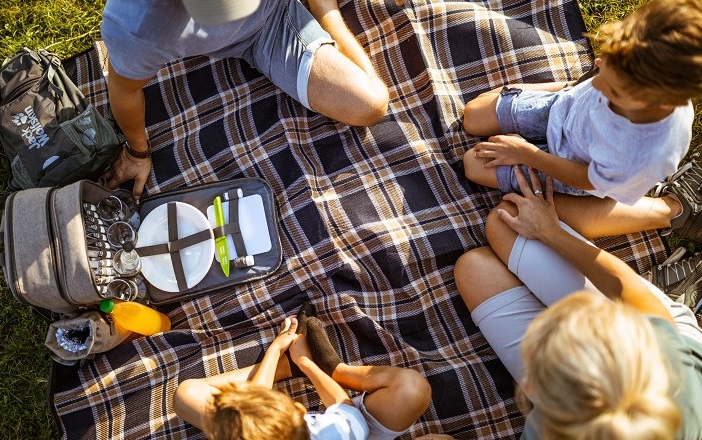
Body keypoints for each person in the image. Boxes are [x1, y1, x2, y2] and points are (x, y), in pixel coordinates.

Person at [453, 168, 702, 439]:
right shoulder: (660, 360)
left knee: (474, 270)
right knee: (510, 217)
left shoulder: (547, 429)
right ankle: (676, 211)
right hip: (662, 334)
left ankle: (664, 288)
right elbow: (622, 287)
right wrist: (550, 232)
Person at [100, 0, 392, 200]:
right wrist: (137, 152)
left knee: (371, 102)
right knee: (371, 103)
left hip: (276, 20)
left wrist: (329, 19)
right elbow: (124, 90)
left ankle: (325, 10)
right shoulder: (135, 26)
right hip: (262, 33)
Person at [461, 0, 702, 241]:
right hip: (564, 109)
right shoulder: (634, 76)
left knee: (473, 164)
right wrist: (588, 80)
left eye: (612, 89)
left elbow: (585, 179)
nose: (597, 84)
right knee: (473, 116)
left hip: (571, 165)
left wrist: (528, 154)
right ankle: (564, 88)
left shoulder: (642, 153)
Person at [173, 305, 432, 439]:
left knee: (185, 394)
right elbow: (348, 412)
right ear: (299, 411)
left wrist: (275, 351)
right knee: (417, 397)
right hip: (357, 433)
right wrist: (307, 362)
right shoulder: (331, 433)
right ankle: (332, 370)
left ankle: (286, 367)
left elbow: (254, 407)